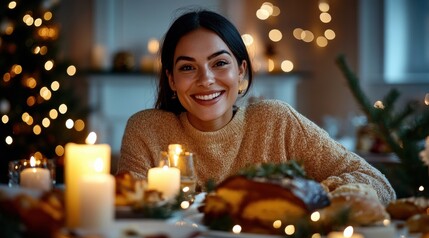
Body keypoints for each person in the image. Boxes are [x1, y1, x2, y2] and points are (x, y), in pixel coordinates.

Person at [117, 9, 396, 205]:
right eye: (188, 67)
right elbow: (128, 211)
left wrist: (300, 194)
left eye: (220, 63)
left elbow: (378, 184)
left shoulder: (276, 121)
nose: (206, 80)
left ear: (241, 71)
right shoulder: (147, 130)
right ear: (171, 80)